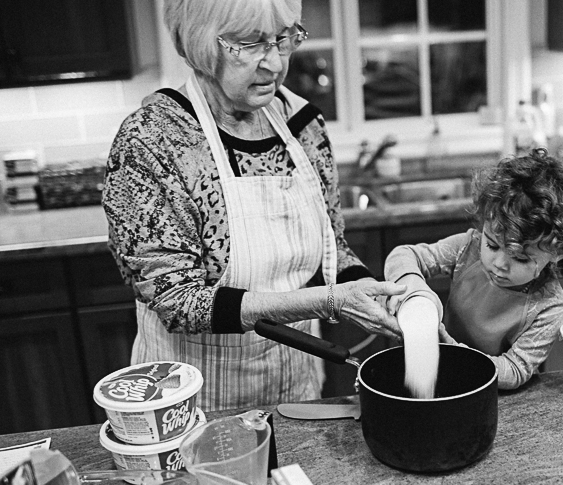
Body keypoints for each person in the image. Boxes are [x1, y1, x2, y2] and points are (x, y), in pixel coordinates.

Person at [101, 0, 405, 411]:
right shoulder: (155, 140)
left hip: (297, 385)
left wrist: (374, 293)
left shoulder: (302, 124)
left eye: (284, 39)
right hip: (195, 400)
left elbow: (332, 246)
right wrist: (330, 301)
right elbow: (176, 299)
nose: (275, 64)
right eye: (251, 43)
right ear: (201, 43)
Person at [384, 148, 563, 390]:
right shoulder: (467, 249)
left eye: (521, 259)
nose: (499, 264)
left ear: (558, 253)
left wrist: (458, 356)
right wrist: (414, 289)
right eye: (492, 245)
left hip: (495, 396)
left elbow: (514, 371)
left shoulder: (550, 306)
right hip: (442, 375)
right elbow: (404, 255)